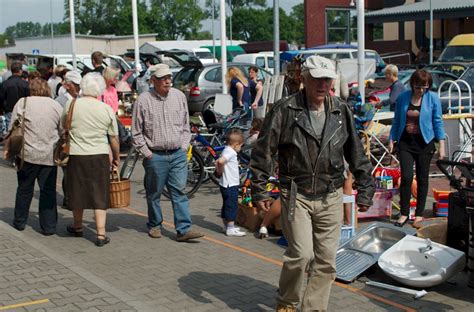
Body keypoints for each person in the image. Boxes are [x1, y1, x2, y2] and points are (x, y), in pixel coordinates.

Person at [250, 55, 375, 312]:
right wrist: (259, 188)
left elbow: (356, 153)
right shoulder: (285, 109)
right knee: (301, 255)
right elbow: (263, 151)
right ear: (304, 79)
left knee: (327, 260)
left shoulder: (341, 110)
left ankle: (313, 308)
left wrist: (365, 187)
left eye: (326, 79)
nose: (322, 85)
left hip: (330, 194)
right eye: (317, 79)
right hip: (297, 194)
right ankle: (287, 301)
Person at [132, 64, 203, 242]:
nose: (168, 81)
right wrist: (147, 153)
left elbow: (186, 126)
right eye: (163, 78)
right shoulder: (143, 100)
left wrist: (184, 146)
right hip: (155, 155)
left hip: (177, 154)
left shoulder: (179, 97)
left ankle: (183, 229)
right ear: (153, 80)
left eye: (169, 77)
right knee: (154, 193)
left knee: (179, 191)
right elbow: (136, 132)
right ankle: (155, 224)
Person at [64, 73, 120, 247]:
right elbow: (113, 139)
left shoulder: (71, 105)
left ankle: (78, 226)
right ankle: (101, 234)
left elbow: (63, 126)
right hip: (99, 155)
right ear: (100, 89)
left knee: (77, 190)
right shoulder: (105, 109)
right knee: (99, 193)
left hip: (76, 154)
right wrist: (116, 158)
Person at [3, 79, 62, 235]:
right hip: (49, 155)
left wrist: (8, 149)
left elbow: (13, 128)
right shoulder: (55, 105)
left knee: (24, 188)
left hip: (26, 154)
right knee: (48, 191)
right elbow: (63, 129)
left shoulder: (23, 103)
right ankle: (48, 226)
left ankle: (20, 222)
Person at [389, 69, 445, 228]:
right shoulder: (403, 97)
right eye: (418, 87)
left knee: (422, 178)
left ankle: (419, 214)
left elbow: (438, 122)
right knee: (406, 177)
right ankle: (404, 212)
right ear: (412, 84)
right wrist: (392, 139)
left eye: (424, 87)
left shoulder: (433, 99)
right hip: (406, 142)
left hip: (425, 142)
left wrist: (441, 146)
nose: (421, 90)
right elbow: (396, 120)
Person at [55, 71, 82, 210]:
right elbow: (58, 123)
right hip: (66, 140)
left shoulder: (82, 97)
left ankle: (75, 197)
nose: (78, 87)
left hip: (80, 140)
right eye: (75, 85)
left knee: (77, 171)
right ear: (68, 85)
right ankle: (69, 198)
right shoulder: (60, 101)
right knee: (68, 170)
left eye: (78, 84)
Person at [215, 128, 247, 237]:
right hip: (230, 184)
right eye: (241, 146)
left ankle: (226, 226)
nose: (240, 148)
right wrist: (219, 169)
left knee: (226, 205)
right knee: (232, 206)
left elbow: (220, 161)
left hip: (225, 184)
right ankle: (230, 228)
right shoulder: (231, 152)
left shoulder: (226, 149)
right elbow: (220, 161)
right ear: (236, 144)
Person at [0, 61, 29, 132]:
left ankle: (9, 142)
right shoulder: (25, 84)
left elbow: (1, 98)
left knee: (10, 132)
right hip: (21, 111)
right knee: (18, 131)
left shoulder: (5, 84)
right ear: (20, 71)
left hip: (9, 111)